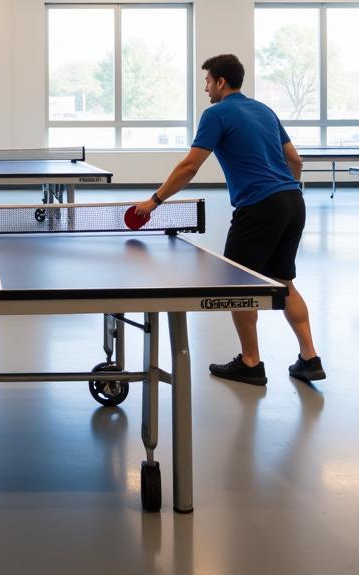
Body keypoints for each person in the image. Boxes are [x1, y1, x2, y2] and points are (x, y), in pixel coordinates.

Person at [131, 53, 324, 387]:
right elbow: (295, 160)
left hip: (259, 208)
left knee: (239, 286)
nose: (205, 88)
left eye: (207, 81)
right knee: (284, 282)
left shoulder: (216, 114)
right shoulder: (265, 110)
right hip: (293, 202)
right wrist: (285, 189)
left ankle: (251, 362)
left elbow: (190, 167)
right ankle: (309, 357)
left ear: (221, 81)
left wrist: (155, 200)